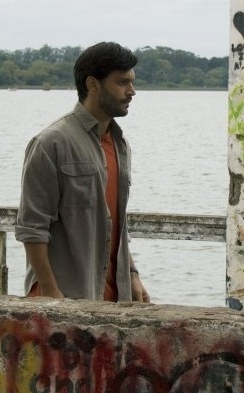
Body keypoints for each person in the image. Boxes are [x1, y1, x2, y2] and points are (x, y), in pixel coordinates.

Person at [15, 42, 150, 303]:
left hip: (114, 300)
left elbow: (113, 223)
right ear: (93, 84)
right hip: (66, 296)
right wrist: (51, 293)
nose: (131, 91)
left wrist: (131, 274)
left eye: (132, 82)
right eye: (122, 82)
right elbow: (32, 227)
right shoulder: (51, 143)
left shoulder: (119, 144)